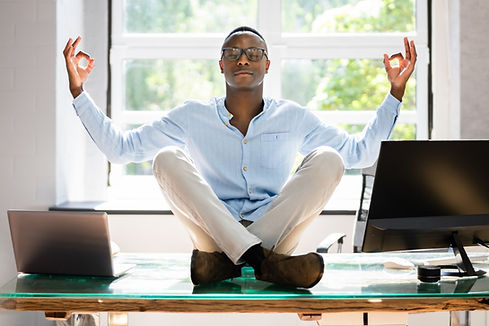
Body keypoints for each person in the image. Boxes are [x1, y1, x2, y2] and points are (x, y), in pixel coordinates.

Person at [63, 26, 416, 288]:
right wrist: (79, 91)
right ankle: (262, 263)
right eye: (232, 53)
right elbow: (121, 149)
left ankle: (231, 263)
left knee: (330, 159)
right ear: (221, 65)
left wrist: (395, 93)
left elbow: (360, 153)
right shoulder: (191, 115)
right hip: (212, 237)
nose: (243, 58)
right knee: (166, 157)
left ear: (267, 65)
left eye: (253, 53)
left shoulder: (293, 116)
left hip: (271, 235)